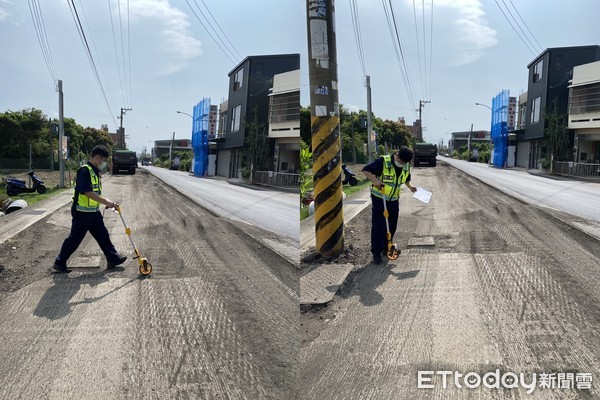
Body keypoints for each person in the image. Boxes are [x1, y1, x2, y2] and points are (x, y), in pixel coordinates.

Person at [53, 145, 127, 273]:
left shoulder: (94, 171)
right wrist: (106, 201)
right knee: (75, 238)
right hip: (82, 213)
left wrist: (106, 202)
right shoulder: (85, 171)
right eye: (103, 161)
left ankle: (113, 258)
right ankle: (60, 262)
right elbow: (87, 192)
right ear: (97, 157)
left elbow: (95, 192)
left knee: (103, 235)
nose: (103, 164)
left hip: (93, 212)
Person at [362, 146, 417, 264]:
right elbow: (366, 169)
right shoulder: (384, 161)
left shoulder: (406, 165)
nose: (402, 164)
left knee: (392, 225)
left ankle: (387, 247)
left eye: (405, 163)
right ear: (396, 155)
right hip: (380, 198)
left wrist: (411, 187)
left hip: (394, 199)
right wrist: (374, 180)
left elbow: (406, 179)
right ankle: (376, 253)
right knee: (379, 226)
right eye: (401, 161)